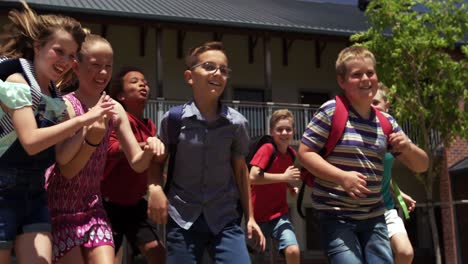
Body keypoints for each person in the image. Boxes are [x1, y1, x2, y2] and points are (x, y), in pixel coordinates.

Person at [0, 3, 114, 264]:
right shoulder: (17, 81)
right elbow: (30, 141)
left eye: (72, 56)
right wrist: (84, 119)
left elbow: (63, 158)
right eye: (59, 51)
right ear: (38, 46)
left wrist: (89, 130)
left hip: (35, 194)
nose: (66, 62)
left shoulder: (55, 98)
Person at [298, 46, 429, 263]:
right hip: (335, 215)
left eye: (370, 72)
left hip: (374, 216)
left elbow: (421, 165)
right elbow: (305, 153)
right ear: (342, 81)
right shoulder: (331, 112)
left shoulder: (386, 123)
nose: (365, 79)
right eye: (356, 75)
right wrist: (342, 177)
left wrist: (408, 147)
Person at [46, 34, 165, 263]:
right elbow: (66, 167)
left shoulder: (115, 108)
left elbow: (137, 163)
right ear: (76, 67)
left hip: (93, 206)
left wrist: (149, 149)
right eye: (95, 66)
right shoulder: (66, 106)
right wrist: (90, 131)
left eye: (108, 67)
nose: (102, 73)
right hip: (60, 208)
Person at [148, 41, 265, 263]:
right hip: (182, 218)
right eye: (209, 66)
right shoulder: (173, 120)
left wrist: (250, 218)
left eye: (223, 70)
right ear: (189, 77)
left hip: (225, 219)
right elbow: (157, 162)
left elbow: (241, 172)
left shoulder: (237, 124)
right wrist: (154, 188)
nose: (218, 73)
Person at [101, 66, 166, 263]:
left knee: (158, 253)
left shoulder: (150, 124)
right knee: (108, 258)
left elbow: (152, 161)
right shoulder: (116, 118)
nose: (143, 84)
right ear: (120, 95)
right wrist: (145, 146)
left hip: (135, 204)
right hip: (107, 204)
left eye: (145, 82)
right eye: (135, 81)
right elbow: (110, 149)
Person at [249, 109, 301, 264]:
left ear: (294, 132)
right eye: (279, 129)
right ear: (271, 132)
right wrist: (284, 177)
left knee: (293, 250)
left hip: (279, 214)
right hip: (257, 217)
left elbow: (279, 176)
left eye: (288, 129)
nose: (284, 133)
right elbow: (252, 177)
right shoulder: (267, 149)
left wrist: (289, 186)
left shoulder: (291, 154)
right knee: (254, 259)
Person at [373, 82, 417, 264]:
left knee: (405, 253)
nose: (372, 106)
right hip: (361, 209)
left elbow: (385, 176)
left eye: (376, 102)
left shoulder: (392, 134)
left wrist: (401, 196)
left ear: (387, 105)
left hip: (387, 207)